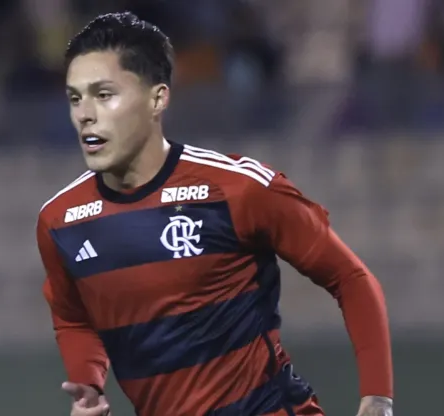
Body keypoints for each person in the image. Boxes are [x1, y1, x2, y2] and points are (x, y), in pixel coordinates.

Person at [36, 12, 393, 416]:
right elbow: (72, 315)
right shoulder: (61, 221)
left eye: (104, 95)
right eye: (75, 97)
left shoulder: (238, 189)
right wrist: (88, 384)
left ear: (158, 98)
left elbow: (350, 277)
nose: (84, 114)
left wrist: (377, 399)